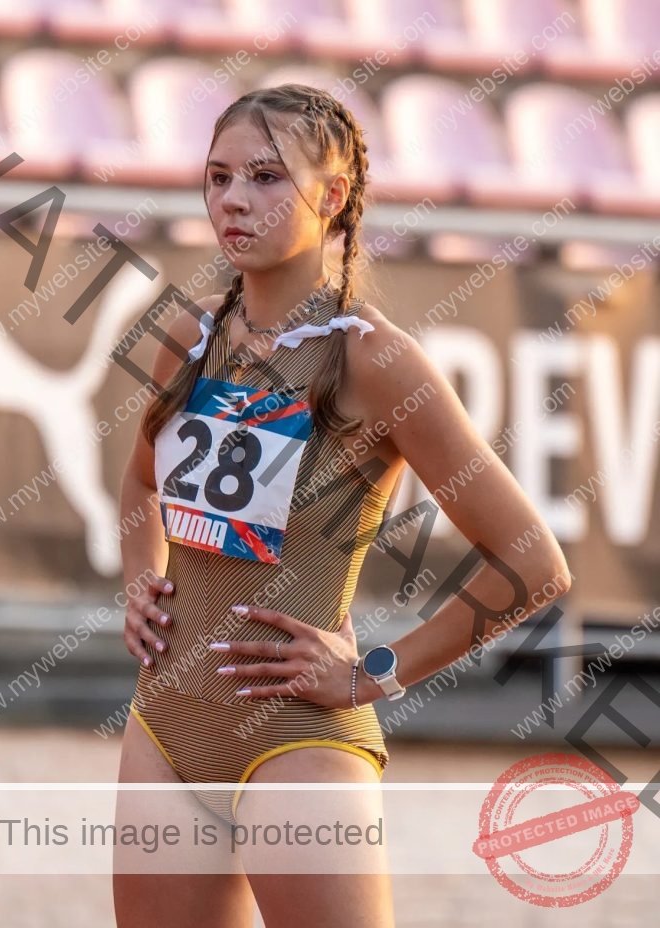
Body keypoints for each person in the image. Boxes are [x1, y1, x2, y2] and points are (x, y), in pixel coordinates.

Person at [112, 83, 571, 927]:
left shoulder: (376, 361)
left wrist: (374, 673)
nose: (234, 199)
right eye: (218, 177)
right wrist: (143, 580)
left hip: (298, 742)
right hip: (164, 727)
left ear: (333, 196)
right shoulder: (190, 335)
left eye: (265, 175)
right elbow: (142, 485)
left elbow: (533, 564)